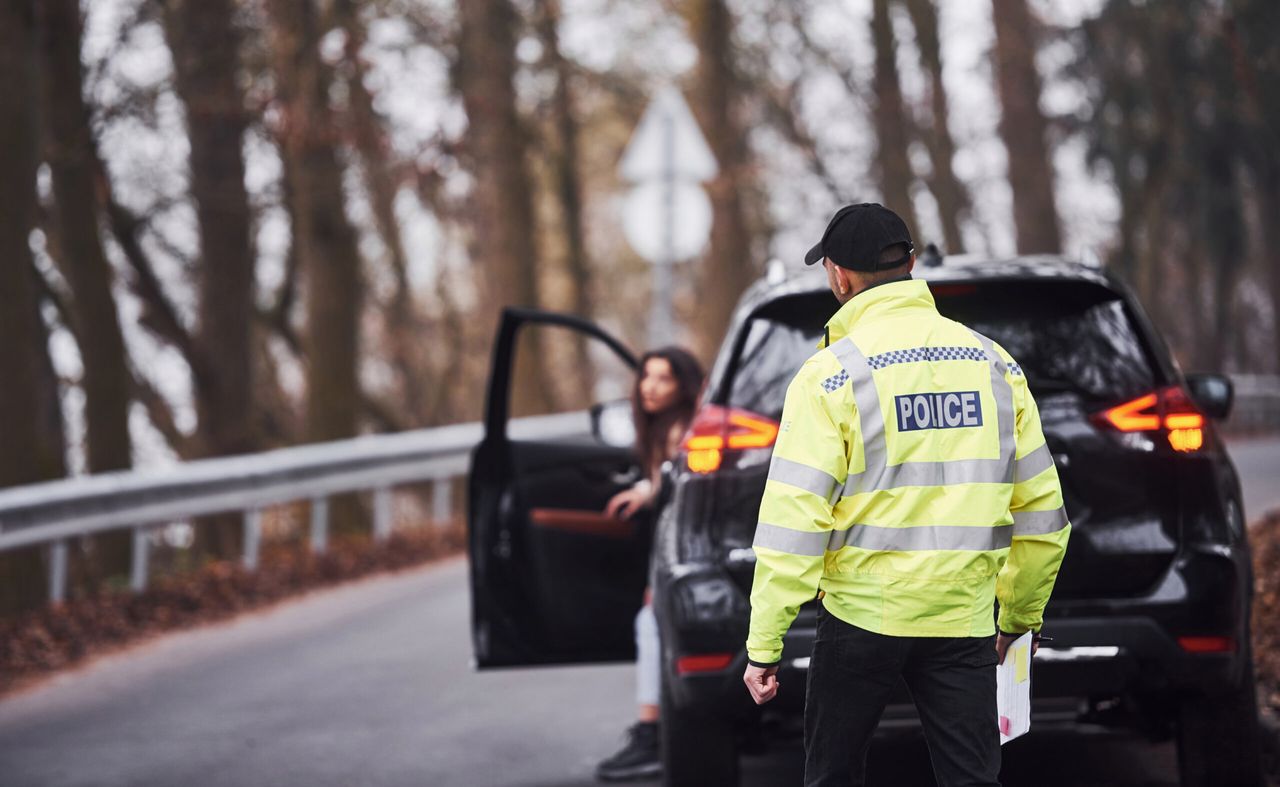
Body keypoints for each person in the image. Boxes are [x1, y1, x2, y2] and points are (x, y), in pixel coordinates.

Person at [742, 203, 1070, 786]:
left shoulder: (830, 375)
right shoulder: (995, 366)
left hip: (859, 621)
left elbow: (795, 522)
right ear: (912, 263)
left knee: (833, 778)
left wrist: (764, 644)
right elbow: (1043, 515)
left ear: (838, 275)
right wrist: (1019, 618)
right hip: (963, 620)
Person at [596, 347, 704, 783]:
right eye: (647, 377)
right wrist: (644, 489)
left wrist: (657, 581)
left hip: (689, 551)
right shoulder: (667, 427)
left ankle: (651, 733)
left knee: (650, 624)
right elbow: (665, 478)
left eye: (664, 378)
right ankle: (653, 730)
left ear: (684, 385)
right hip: (678, 549)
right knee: (651, 624)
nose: (651, 387)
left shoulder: (684, 428)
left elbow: (679, 499)